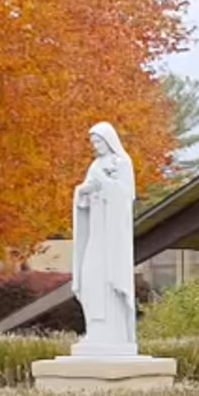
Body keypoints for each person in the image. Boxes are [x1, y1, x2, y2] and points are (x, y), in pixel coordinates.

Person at [70, 121, 139, 356]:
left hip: (112, 236)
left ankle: (114, 334)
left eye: (98, 141)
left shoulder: (123, 163)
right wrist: (84, 192)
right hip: (96, 230)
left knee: (109, 277)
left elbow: (125, 196)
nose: (96, 146)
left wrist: (106, 185)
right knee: (90, 276)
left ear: (109, 140)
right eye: (93, 142)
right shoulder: (95, 165)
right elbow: (84, 195)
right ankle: (95, 330)